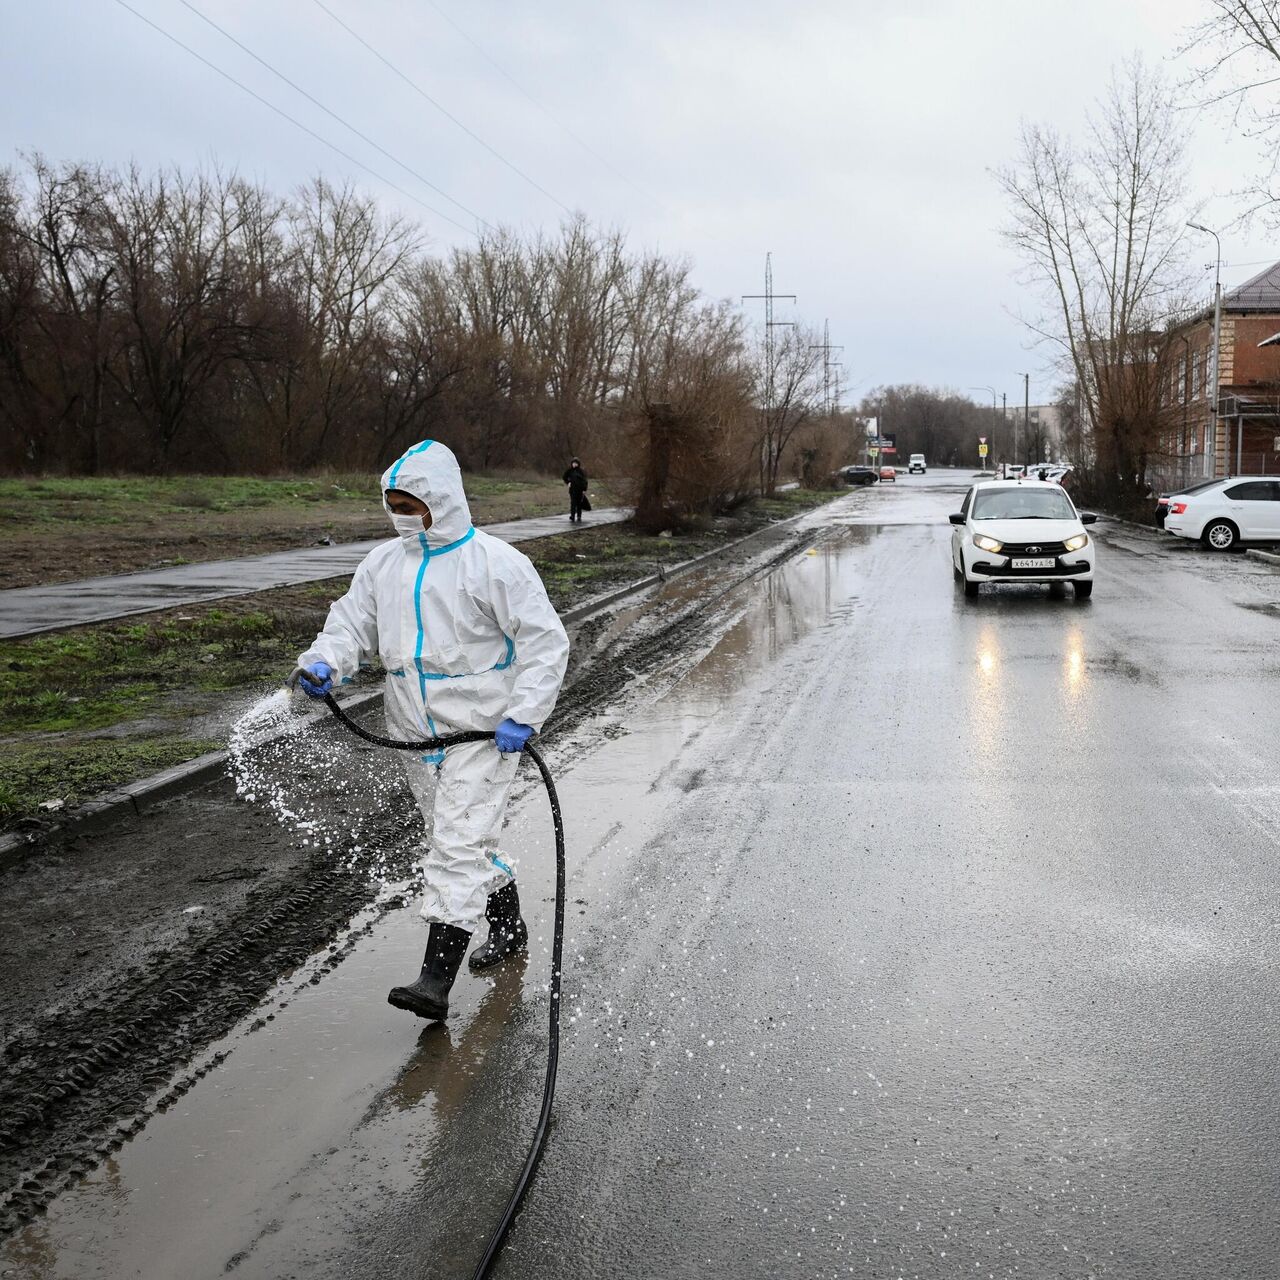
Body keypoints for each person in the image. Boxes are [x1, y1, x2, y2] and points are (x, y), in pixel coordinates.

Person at [293, 440, 569, 1022]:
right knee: (459, 838)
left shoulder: (495, 563)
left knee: (457, 844)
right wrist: (326, 661)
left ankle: (434, 981)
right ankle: (508, 926)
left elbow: (545, 641)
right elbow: (349, 623)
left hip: (482, 729)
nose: (400, 513)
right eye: (392, 502)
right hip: (411, 728)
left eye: (410, 502)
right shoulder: (383, 565)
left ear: (439, 499)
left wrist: (524, 713)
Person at [562, 457, 589, 523]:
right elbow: (564, 477)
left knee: (579, 503)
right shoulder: (569, 470)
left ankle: (579, 516)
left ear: (578, 464)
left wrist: (584, 489)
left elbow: (585, 481)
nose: (574, 464)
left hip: (580, 490)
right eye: (573, 463)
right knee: (573, 503)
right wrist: (568, 482)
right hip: (572, 490)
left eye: (575, 463)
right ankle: (572, 516)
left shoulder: (581, 471)